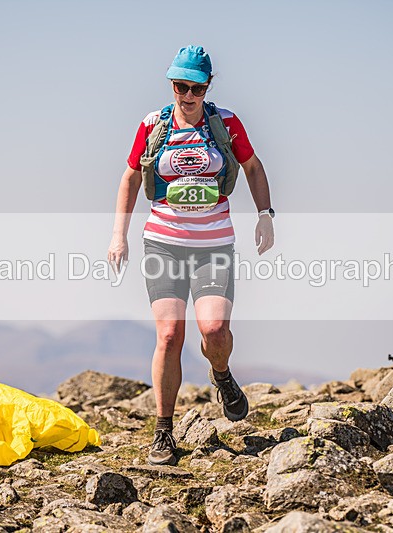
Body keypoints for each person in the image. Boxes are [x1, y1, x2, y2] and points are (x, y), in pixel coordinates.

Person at [108, 46, 275, 465]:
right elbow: (130, 177)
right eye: (180, 87)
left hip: (213, 245)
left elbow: (253, 167)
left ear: (208, 86)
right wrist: (118, 236)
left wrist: (265, 214)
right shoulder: (153, 125)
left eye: (196, 88)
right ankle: (163, 432)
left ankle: (221, 374)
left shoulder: (226, 124)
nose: (188, 96)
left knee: (214, 331)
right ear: (171, 85)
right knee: (169, 335)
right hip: (162, 243)